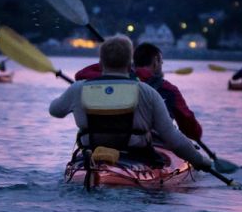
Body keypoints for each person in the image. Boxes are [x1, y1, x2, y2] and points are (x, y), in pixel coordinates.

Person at [50, 35, 212, 170]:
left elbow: (55, 110)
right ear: (130, 63)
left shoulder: (79, 88)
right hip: (137, 154)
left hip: (92, 151)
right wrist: (200, 161)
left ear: (101, 62)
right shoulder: (148, 91)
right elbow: (172, 138)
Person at [74, 42, 203, 141]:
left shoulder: (116, 79)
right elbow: (192, 130)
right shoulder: (169, 90)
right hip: (151, 143)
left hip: (114, 139)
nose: (161, 65)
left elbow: (81, 75)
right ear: (156, 61)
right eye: (161, 62)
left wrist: (120, 66)